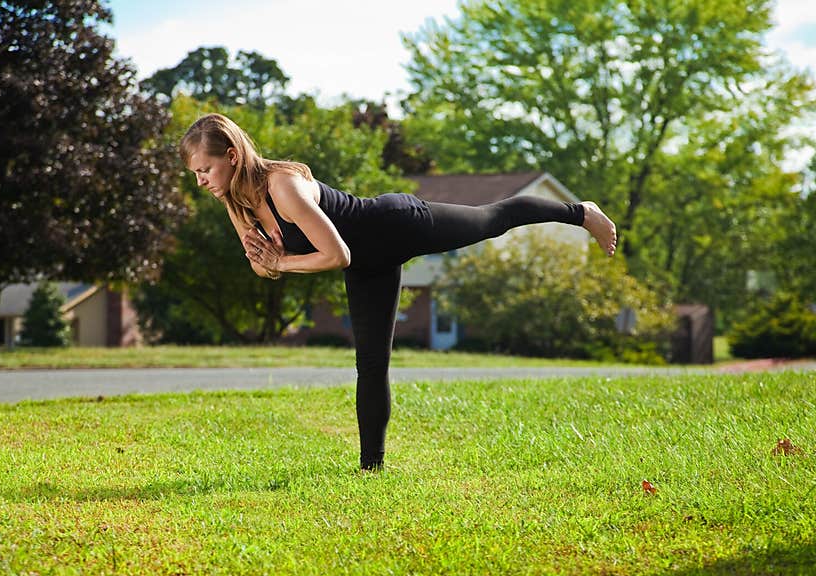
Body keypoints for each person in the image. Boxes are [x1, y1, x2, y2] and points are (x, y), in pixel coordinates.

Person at [180, 113, 617, 472]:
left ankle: (580, 212)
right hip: (372, 265)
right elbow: (260, 266)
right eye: (195, 173)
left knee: (491, 219)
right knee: (370, 364)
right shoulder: (234, 200)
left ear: (233, 156)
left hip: (395, 223)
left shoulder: (282, 187)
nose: (200, 180)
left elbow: (336, 254)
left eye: (205, 169)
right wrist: (274, 265)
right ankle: (372, 468)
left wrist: (283, 263)